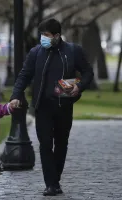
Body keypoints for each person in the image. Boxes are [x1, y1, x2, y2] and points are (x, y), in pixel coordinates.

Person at [10, 19, 94, 196]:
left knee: (61, 144)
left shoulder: (73, 51)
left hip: (64, 106)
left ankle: (55, 179)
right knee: (45, 144)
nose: (43, 38)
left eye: (46, 35)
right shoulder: (36, 53)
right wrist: (15, 95)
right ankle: (51, 184)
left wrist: (79, 86)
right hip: (43, 107)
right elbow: (24, 75)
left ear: (56, 36)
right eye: (41, 35)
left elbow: (88, 72)